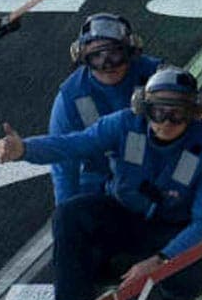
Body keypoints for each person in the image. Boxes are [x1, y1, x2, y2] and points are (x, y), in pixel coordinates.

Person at [0, 66, 202, 300]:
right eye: (159, 112)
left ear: (194, 114)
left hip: (170, 228)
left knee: (192, 268)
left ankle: (176, 296)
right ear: (144, 108)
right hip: (123, 215)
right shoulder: (123, 125)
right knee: (70, 214)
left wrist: (161, 260)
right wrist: (24, 149)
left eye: (178, 114)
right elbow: (73, 144)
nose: (167, 122)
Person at [46, 13, 162, 206]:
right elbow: (63, 164)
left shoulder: (158, 78)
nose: (107, 65)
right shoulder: (71, 97)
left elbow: (193, 135)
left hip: (156, 169)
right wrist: (65, 212)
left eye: (115, 54)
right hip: (100, 178)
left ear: (130, 52)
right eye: (96, 57)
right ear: (84, 58)